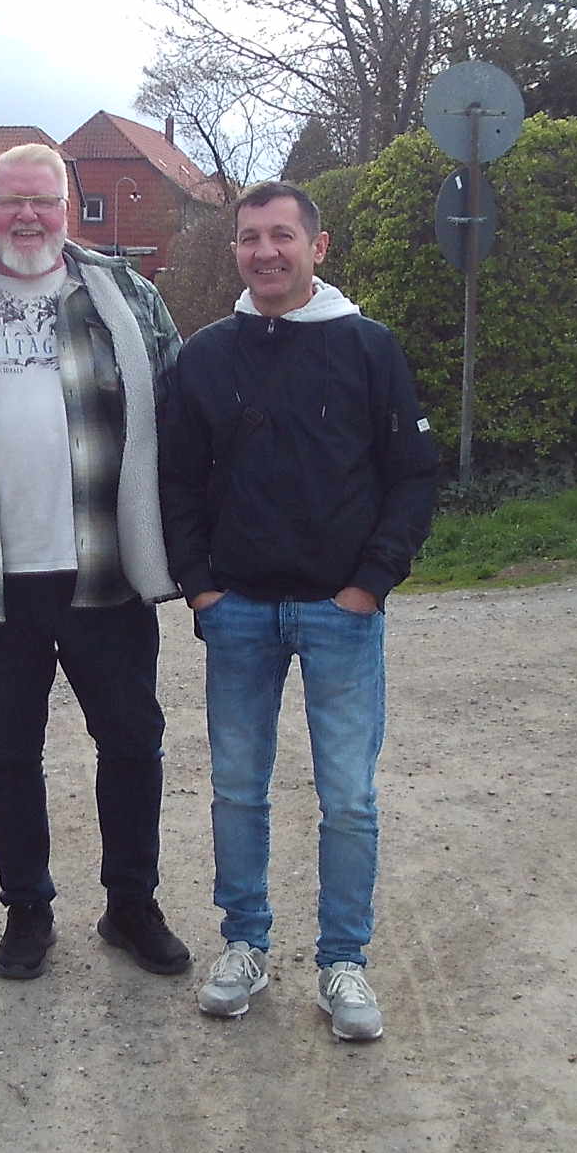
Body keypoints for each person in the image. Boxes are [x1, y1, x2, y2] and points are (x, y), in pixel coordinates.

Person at [0, 143, 189, 982]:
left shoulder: (126, 298)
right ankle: (26, 909)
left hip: (107, 567)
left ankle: (131, 904)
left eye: (43, 201)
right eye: (10, 202)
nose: (27, 217)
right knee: (7, 751)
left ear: (66, 208)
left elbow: (179, 419)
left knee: (131, 742)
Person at [159, 180, 438, 1040]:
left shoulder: (368, 348)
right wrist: (201, 586)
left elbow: (413, 477)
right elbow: (175, 480)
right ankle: (244, 944)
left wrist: (370, 584)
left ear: (318, 248)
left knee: (347, 798)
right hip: (238, 610)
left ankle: (343, 961)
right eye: (250, 238)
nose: (265, 252)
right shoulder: (207, 356)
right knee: (237, 792)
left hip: (339, 612)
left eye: (282, 236)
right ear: (235, 251)